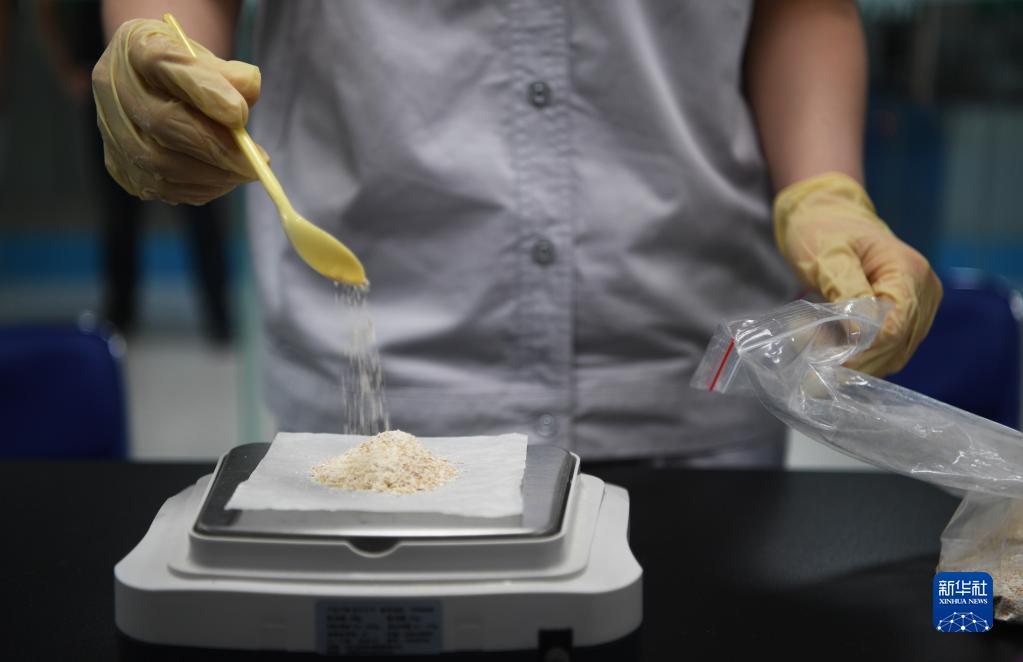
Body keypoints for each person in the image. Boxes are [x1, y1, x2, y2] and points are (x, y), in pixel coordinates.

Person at [92, 1, 942, 466]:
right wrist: (163, 55)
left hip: (688, 382)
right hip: (371, 390)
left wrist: (823, 189)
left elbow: (802, 9)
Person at [39, 0, 233, 341]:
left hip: (175, 70)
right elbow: (47, 9)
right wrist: (68, 66)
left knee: (200, 201)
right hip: (106, 76)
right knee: (120, 204)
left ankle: (218, 312)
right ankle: (121, 312)